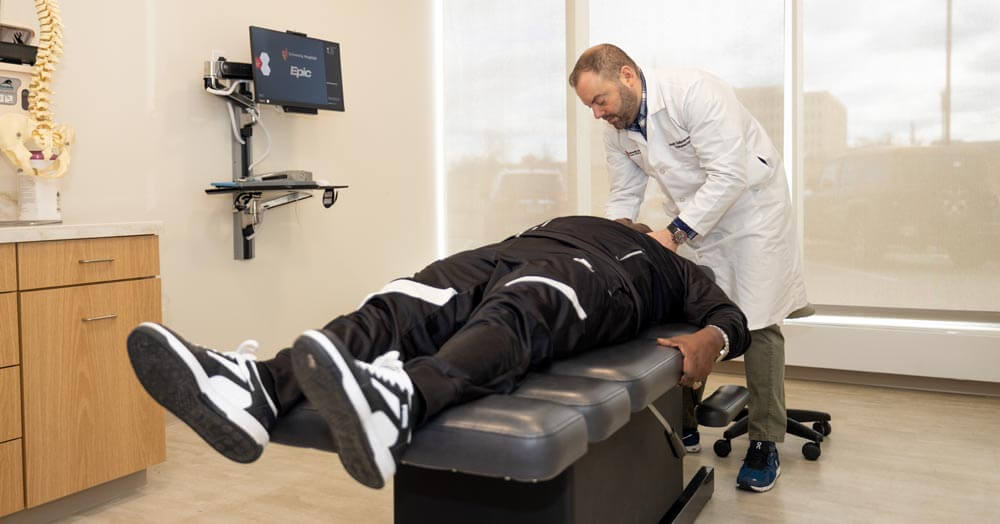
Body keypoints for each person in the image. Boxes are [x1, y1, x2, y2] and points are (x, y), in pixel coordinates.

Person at [127, 215, 750, 490]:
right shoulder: (580, 213)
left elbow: (732, 319)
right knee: (395, 305)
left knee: (522, 311)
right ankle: (258, 389)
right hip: (506, 250)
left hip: (600, 275)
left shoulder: (669, 263)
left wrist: (710, 338)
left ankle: (403, 399)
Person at [569, 44, 809, 492]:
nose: (597, 114)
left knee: (756, 323)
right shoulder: (617, 128)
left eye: (599, 100)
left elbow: (729, 175)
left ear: (626, 75)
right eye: (589, 107)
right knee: (688, 313)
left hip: (751, 213)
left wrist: (674, 234)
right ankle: (685, 424)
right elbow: (624, 194)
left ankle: (765, 441)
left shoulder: (694, 92)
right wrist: (611, 240)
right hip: (694, 218)